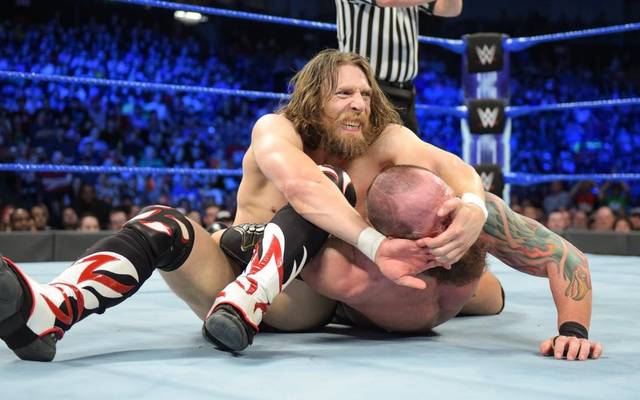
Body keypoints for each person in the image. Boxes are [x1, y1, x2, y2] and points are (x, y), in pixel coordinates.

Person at [0, 49, 487, 362]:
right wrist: (375, 243)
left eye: (365, 93)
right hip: (228, 291)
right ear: (313, 99)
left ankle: (250, 298)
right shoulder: (275, 129)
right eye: (344, 93)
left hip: (295, 298)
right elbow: (300, 186)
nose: (359, 103)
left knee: (330, 182)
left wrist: (472, 206)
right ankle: (49, 311)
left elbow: (452, 166)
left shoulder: (382, 140)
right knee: (161, 223)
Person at [300, 166, 602, 361]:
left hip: (464, 296)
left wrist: (573, 333)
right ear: (396, 241)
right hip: (350, 309)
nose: (455, 227)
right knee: (296, 317)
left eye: (450, 206)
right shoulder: (346, 269)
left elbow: (565, 257)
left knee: (494, 300)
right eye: (439, 226)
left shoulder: (475, 217)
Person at [335, 0, 462, 132]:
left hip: (406, 93)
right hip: (368, 93)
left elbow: (450, 9)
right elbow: (386, 1)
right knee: (372, 145)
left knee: (410, 146)